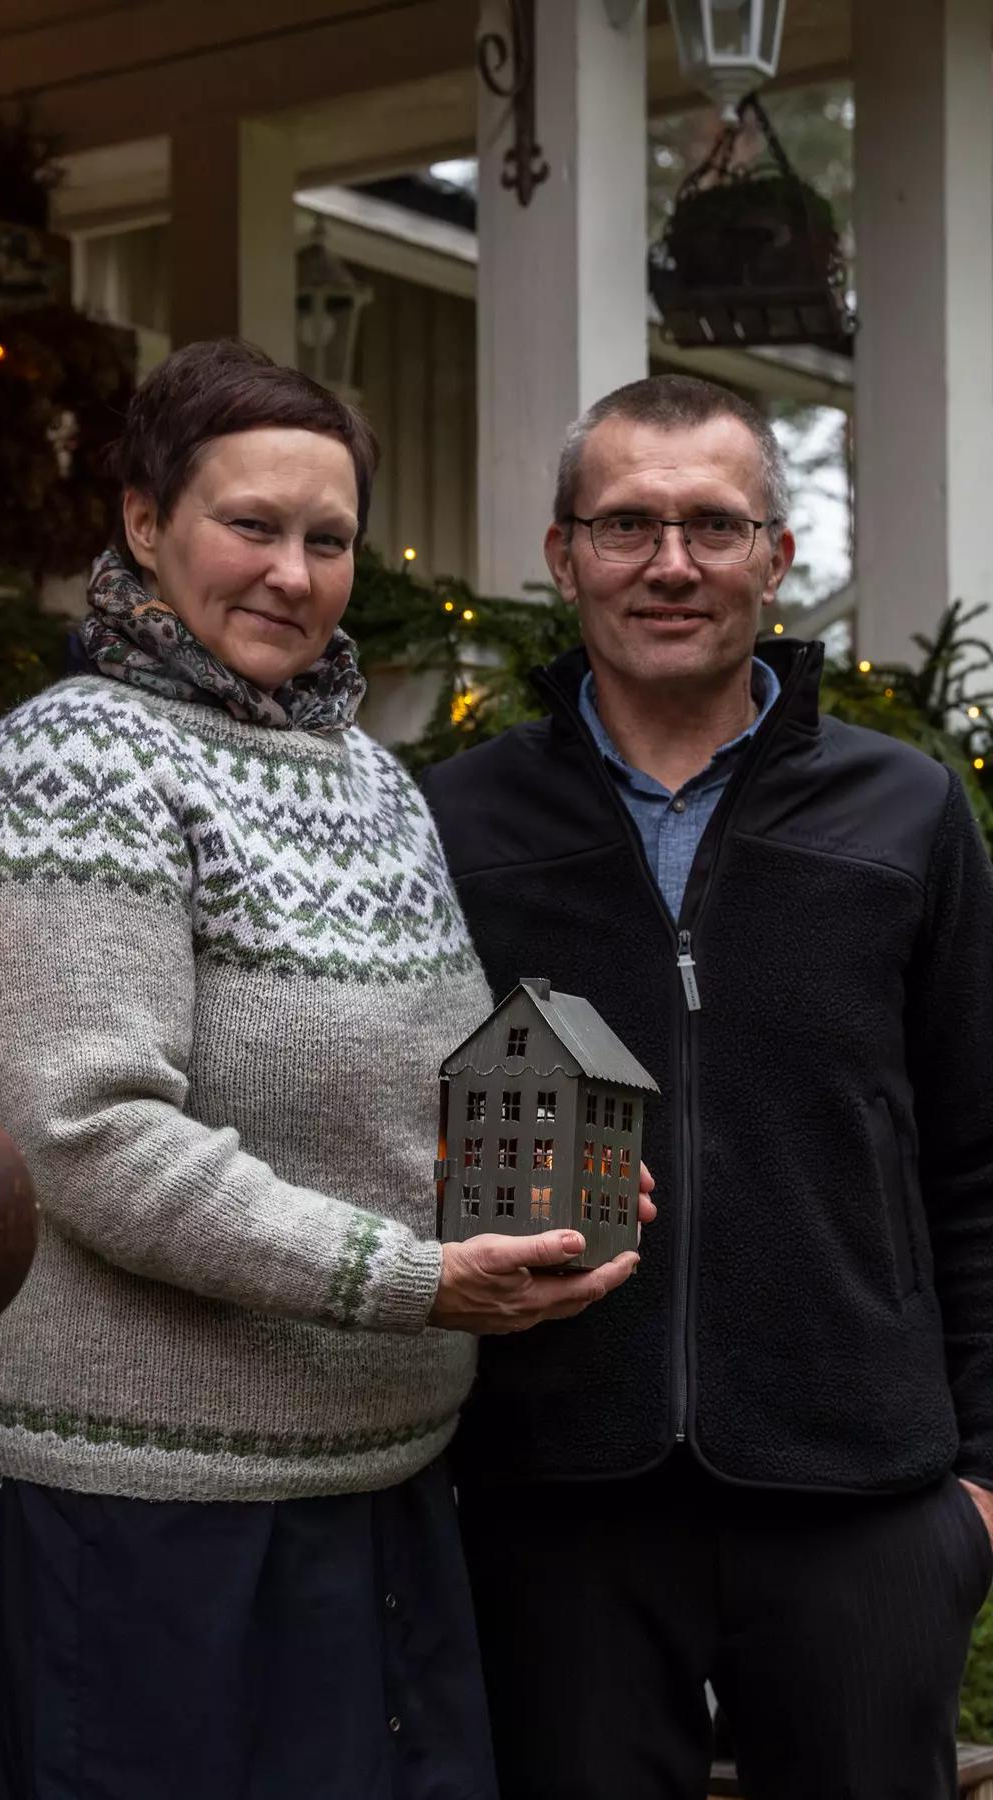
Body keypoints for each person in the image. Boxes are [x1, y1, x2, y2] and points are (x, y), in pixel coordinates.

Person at [0, 339, 649, 1800]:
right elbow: (93, 1134)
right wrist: (412, 1279)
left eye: (327, 539)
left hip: (382, 1485)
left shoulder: (371, 776)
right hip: (151, 1508)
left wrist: (535, 1178)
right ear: (145, 522)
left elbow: (409, 1073)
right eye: (250, 526)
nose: (293, 575)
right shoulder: (75, 759)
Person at [421, 373, 993, 1800]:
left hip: (860, 1496)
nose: (670, 564)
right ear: (565, 556)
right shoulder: (454, 824)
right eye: (627, 525)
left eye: (713, 525)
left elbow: (980, 1161)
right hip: (553, 1497)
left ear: (776, 559)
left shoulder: (905, 811)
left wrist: (977, 1495)